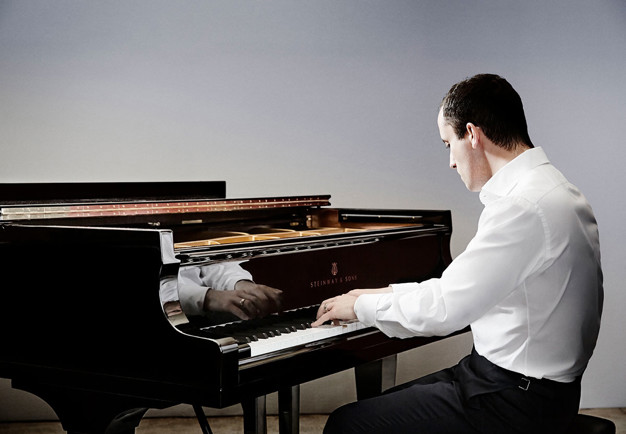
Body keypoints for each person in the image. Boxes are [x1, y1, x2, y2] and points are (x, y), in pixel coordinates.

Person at [312, 74, 603, 434]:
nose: (451, 161)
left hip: (516, 400)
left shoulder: (524, 206)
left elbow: (448, 308)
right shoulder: (553, 190)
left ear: (472, 135)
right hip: (520, 385)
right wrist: (377, 294)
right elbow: (460, 287)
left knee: (347, 425)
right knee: (371, 407)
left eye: (447, 143)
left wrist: (360, 308)